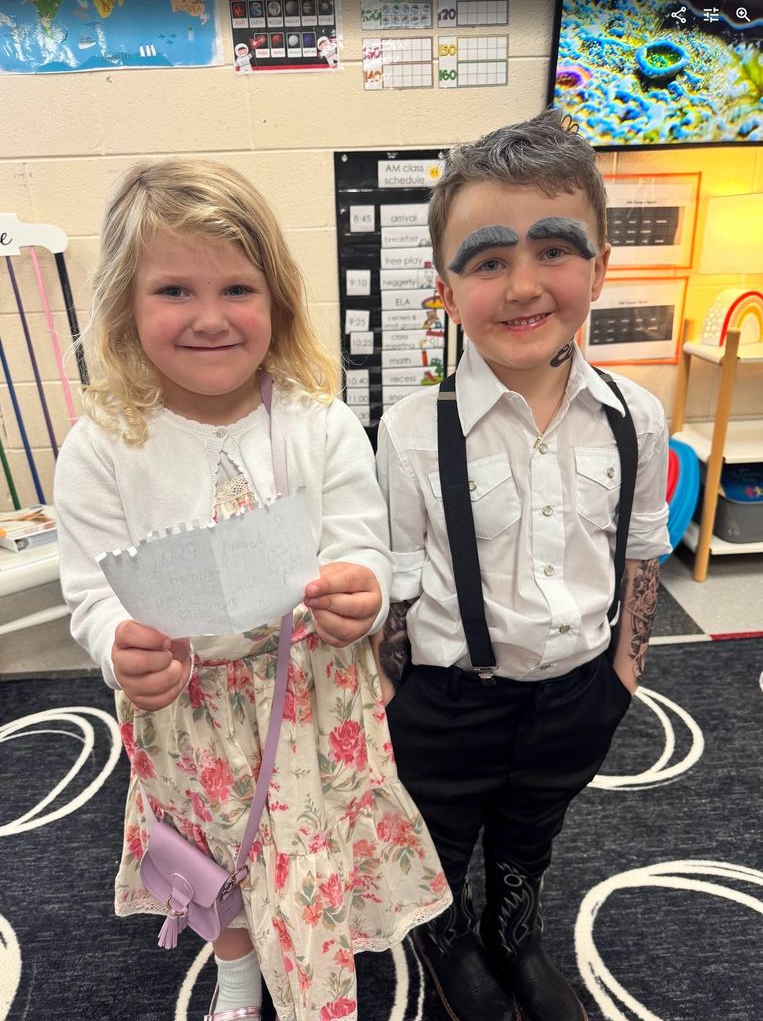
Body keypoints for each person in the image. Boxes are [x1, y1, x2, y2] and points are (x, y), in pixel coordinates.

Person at [54, 159, 450, 1021]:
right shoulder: (101, 445)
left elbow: (362, 545)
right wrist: (114, 641)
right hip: (185, 707)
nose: (208, 317)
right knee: (210, 852)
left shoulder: (320, 420)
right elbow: (88, 589)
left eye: (237, 287)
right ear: (125, 304)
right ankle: (236, 967)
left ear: (277, 300)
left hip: (310, 698)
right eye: (172, 291)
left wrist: (363, 589)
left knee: (312, 852)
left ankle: (316, 971)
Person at [374, 110, 670, 1021]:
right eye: (489, 259)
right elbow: (393, 584)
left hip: (578, 691)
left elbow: (638, 551)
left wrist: (623, 673)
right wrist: (392, 703)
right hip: (448, 702)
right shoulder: (410, 430)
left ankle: (516, 929)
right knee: (439, 835)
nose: (523, 284)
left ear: (601, 265)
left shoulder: (637, 415)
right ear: (446, 283)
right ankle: (447, 933)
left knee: (532, 830)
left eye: (555, 249)